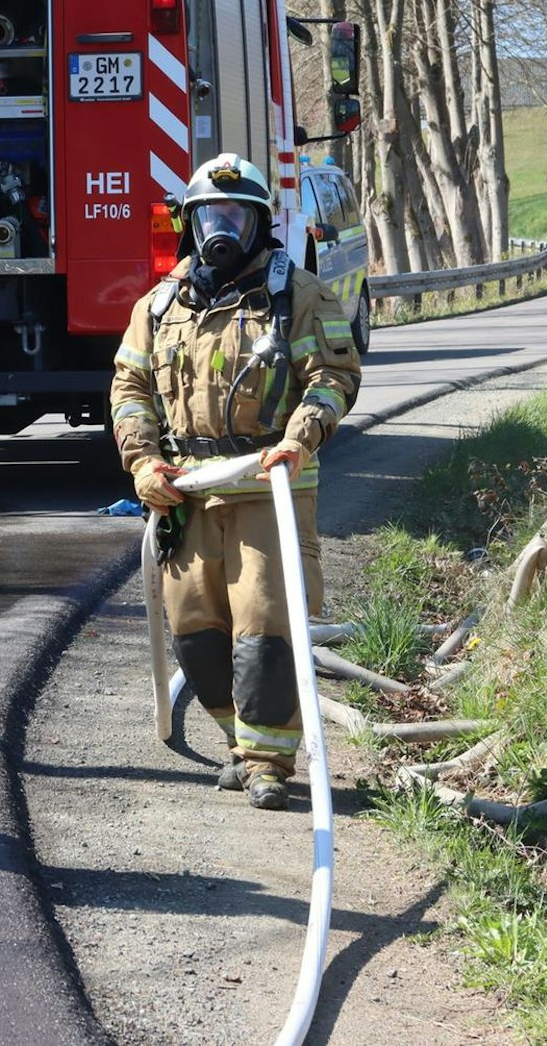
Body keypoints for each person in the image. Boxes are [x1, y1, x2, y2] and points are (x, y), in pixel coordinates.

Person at [109, 155, 361, 810]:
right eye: (210, 216)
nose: (222, 227)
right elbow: (129, 387)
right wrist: (142, 463)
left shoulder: (298, 295)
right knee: (196, 631)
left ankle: (269, 763)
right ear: (190, 223)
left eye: (236, 215)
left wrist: (298, 440)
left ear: (258, 222)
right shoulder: (159, 305)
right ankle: (239, 744)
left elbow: (334, 377)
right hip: (184, 492)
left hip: (265, 486)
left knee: (267, 629)